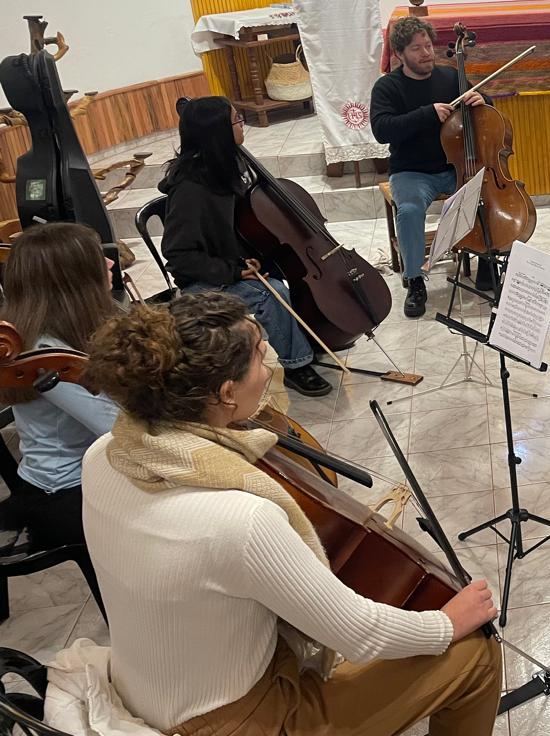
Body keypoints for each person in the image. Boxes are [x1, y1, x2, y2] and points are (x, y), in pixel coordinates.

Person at [80, 293, 502, 735]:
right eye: (262, 356)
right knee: (476, 654)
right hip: (231, 723)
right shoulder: (241, 521)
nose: (270, 366)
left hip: (146, 690)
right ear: (226, 393)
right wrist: (445, 624)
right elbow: (359, 633)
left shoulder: (103, 455)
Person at [159, 96, 332, 397]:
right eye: (237, 120)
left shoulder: (230, 162)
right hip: (206, 279)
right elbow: (179, 256)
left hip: (236, 262)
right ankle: (297, 366)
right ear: (218, 132)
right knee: (272, 294)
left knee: (287, 281)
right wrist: (234, 272)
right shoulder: (191, 189)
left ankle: (309, 339)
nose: (243, 126)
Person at [0, 223, 118, 550]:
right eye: (97, 259)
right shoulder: (45, 354)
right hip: (63, 494)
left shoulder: (71, 331)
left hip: (89, 476)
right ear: (72, 281)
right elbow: (120, 429)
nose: (110, 263)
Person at [371, 16, 490, 318]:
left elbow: (485, 109)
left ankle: (488, 261)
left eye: (427, 46)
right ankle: (415, 281)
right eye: (416, 49)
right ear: (399, 55)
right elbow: (382, 129)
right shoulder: (387, 87)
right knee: (409, 211)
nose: (426, 53)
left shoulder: (450, 78)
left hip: (454, 167)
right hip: (412, 171)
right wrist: (426, 114)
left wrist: (482, 99)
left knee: (484, 194)